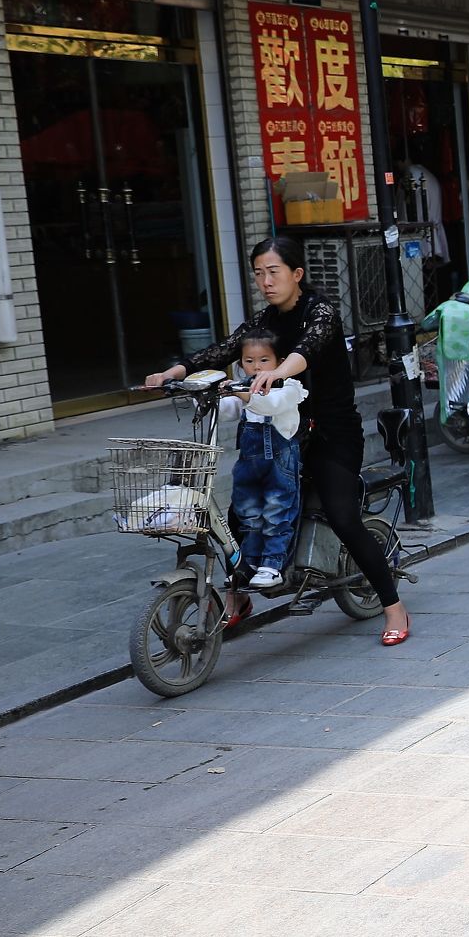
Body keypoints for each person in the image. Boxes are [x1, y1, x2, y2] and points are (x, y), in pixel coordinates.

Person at [144, 237, 411, 645]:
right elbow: (224, 350)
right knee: (238, 516)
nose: (266, 281)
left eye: (274, 272)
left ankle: (394, 607)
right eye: (258, 273)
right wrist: (173, 373)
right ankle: (237, 600)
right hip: (276, 434)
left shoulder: (319, 312)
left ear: (296, 274)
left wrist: (279, 372)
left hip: (329, 433)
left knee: (342, 517)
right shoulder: (261, 324)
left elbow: (309, 348)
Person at [228, 333, 306, 589]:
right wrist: (205, 394)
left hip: (279, 465)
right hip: (248, 465)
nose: (257, 366)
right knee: (247, 514)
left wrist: (242, 394)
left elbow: (269, 405)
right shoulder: (244, 388)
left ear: (279, 362)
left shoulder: (289, 389)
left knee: (277, 511)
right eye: (249, 361)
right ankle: (249, 563)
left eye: (264, 360)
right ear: (241, 364)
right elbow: (229, 408)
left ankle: (273, 564)